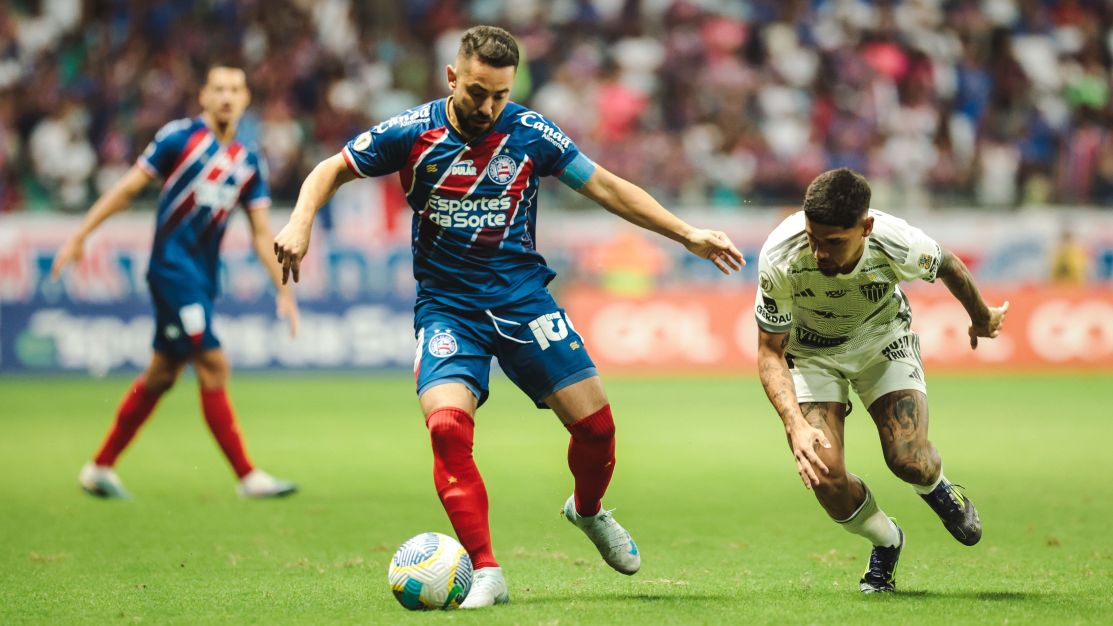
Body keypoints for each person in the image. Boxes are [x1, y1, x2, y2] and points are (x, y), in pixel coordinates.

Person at [273, 26, 744, 608]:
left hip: (523, 299)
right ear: (452, 78)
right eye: (476, 92)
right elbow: (330, 169)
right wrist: (300, 222)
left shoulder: (528, 133)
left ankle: (589, 511)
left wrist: (687, 233)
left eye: (499, 94)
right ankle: (487, 569)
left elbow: (604, 186)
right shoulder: (410, 132)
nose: (488, 106)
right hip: (447, 307)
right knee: (447, 428)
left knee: (597, 431)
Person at [51, 64, 299, 500]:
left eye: (235, 89)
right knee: (214, 363)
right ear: (203, 96)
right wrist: (80, 234)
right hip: (170, 270)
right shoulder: (178, 139)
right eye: (218, 88)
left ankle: (99, 467)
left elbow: (261, 232)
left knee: (162, 374)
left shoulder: (247, 159)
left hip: (202, 279)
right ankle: (247, 476)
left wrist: (282, 287)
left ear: (245, 99)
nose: (226, 96)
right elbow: (128, 189)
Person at [754, 168, 1008, 593]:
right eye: (814, 238)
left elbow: (947, 263)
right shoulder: (781, 256)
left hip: (881, 341)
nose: (818, 253)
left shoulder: (896, 241)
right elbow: (769, 352)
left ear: (865, 227)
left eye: (833, 242)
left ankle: (938, 488)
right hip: (812, 356)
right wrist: (794, 422)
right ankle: (886, 540)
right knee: (824, 476)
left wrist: (981, 317)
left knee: (908, 460)